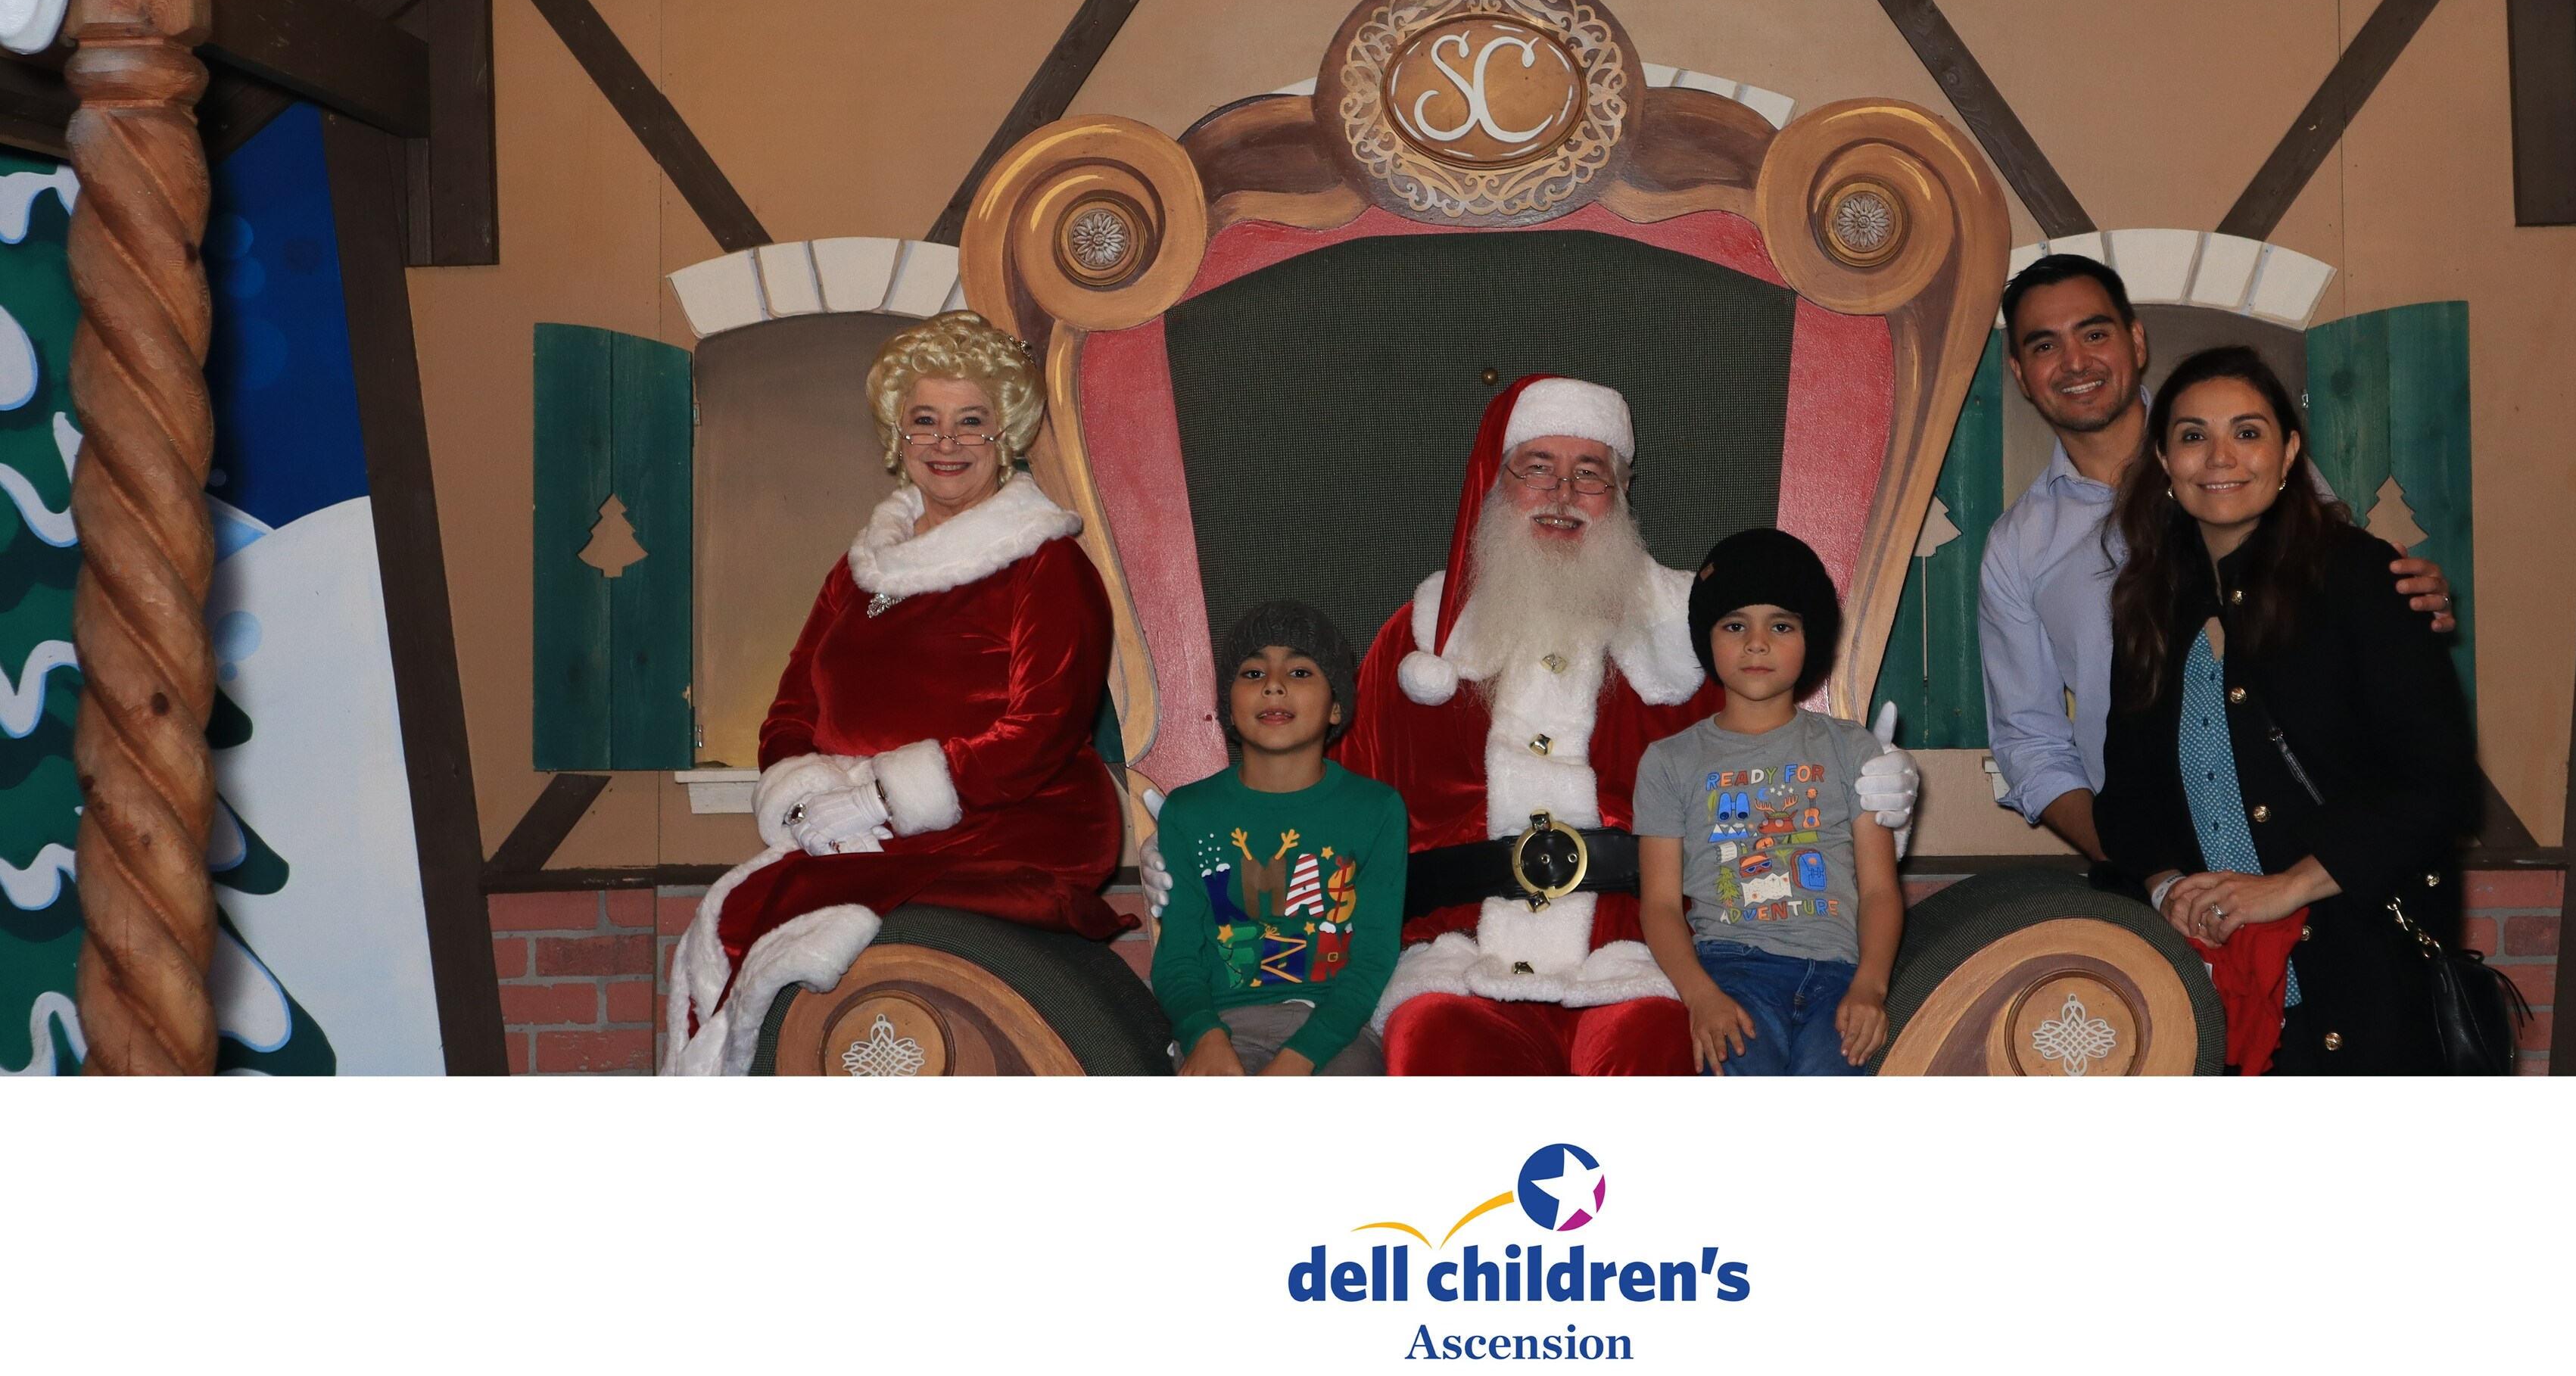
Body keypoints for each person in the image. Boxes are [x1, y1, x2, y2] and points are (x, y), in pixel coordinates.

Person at [1287, 372, 1919, 1076]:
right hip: (1459, 961)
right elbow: (1333, 812)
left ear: (1620, 494)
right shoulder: (1417, 644)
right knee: (1437, 1047)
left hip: (1638, 961)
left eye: (1590, 474)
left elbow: (1779, 787)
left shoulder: (1691, 642)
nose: (1563, 494)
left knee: (1658, 1053)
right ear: (1496, 486)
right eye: (1538, 468)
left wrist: (1877, 800)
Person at [662, 310, 1129, 1074]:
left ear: (1005, 431)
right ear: (898, 434)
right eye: (925, 420)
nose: (946, 442)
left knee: (763, 910)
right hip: (870, 830)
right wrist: (809, 797)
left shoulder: (1046, 564)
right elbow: (791, 710)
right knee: (733, 913)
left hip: (1011, 827)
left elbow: (1042, 730)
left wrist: (880, 798)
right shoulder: (860, 571)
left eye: (970, 420)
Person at [1978, 254, 2456, 857]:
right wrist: (2143, 865)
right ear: (2021, 374)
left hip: (2317, 845)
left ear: (2136, 340)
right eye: (2045, 345)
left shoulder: (2244, 465)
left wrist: (2404, 597)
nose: (2075, 361)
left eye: (2094, 333)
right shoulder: (2017, 546)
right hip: (2168, 865)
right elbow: (2029, 741)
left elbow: (2347, 599)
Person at [2092, 346, 2482, 1073]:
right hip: (2214, 985)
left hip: (2359, 978)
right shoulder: (2148, 603)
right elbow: (2128, 800)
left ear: (2289, 452)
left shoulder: (2363, 575)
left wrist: (2286, 888)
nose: (2220, 457)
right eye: (2193, 435)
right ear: (2165, 460)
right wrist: (2167, 886)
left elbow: (2439, 785)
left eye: (2247, 432)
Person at [1634, 530, 1902, 1076]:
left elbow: (1879, 888)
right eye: (1735, 625)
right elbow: (1659, 905)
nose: (1756, 643)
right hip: (1731, 972)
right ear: (1707, 638)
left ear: (1810, 638)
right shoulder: (1668, 761)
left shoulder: (1852, 748)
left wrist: (1870, 988)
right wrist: (1700, 996)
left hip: (1837, 974)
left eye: (1781, 625)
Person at [1154, 602, 1405, 1076]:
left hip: (1336, 1034)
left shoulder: (1377, 810)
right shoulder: (1188, 812)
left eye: (1299, 671)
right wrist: (1203, 1036)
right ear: (1229, 705)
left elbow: (1373, 958)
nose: (1273, 684)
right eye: (1252, 673)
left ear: (1336, 706)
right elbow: (1177, 958)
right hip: (1222, 1030)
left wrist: (1300, 1058)